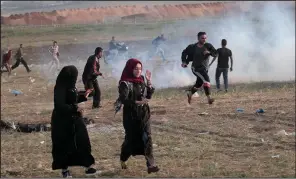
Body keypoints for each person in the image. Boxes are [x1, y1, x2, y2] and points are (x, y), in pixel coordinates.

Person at [51, 65, 97, 178]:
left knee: (82, 141)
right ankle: (64, 170)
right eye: (74, 77)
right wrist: (74, 108)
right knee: (65, 145)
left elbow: (73, 97)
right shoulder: (60, 88)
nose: (75, 79)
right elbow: (59, 105)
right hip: (62, 121)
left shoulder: (71, 86)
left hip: (75, 119)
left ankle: (88, 166)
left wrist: (85, 95)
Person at [117, 58, 160, 174]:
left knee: (147, 137)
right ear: (130, 68)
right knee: (131, 140)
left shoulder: (141, 80)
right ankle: (123, 158)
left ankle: (151, 164)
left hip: (144, 114)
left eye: (140, 69)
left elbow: (148, 96)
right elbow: (123, 99)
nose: (138, 71)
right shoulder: (125, 83)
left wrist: (149, 82)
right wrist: (137, 102)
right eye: (136, 69)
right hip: (131, 116)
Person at [181, 32, 217, 104]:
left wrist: (209, 52)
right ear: (198, 38)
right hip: (196, 68)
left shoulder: (208, 46)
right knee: (206, 80)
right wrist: (184, 61)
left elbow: (215, 53)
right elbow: (184, 52)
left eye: (205, 38)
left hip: (204, 68)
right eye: (202, 38)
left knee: (199, 84)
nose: (204, 40)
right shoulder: (192, 47)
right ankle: (209, 98)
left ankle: (190, 93)